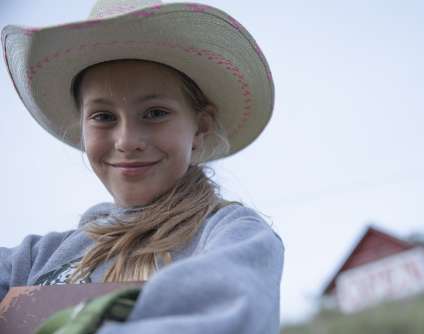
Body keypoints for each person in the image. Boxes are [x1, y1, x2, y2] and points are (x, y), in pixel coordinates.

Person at [0, 1, 284, 333]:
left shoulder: (231, 235)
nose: (126, 140)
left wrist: (26, 319)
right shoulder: (34, 257)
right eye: (103, 117)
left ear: (201, 129)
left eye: (155, 113)